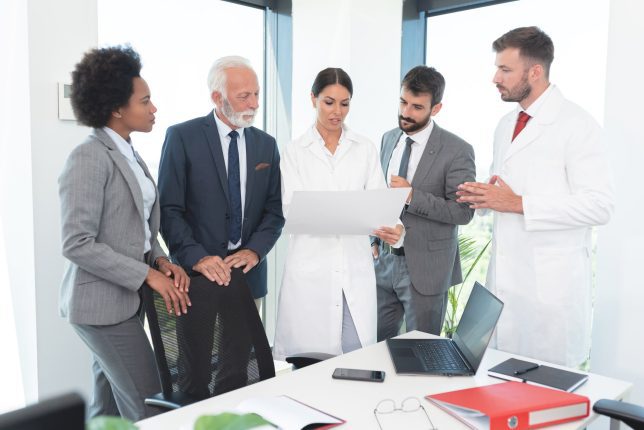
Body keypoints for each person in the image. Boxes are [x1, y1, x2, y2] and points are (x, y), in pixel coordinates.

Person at [456, 26, 614, 367]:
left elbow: (600, 205)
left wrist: (517, 203)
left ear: (535, 71)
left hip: (550, 294)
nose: (494, 77)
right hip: (504, 287)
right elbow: (509, 192)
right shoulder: (504, 125)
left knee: (549, 405)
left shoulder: (577, 125)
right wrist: (484, 197)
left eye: (505, 69)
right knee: (499, 394)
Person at [58, 46, 190, 421]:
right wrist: (147, 274)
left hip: (126, 302)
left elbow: (139, 229)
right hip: (100, 307)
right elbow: (76, 242)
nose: (154, 109)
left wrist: (161, 259)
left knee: (108, 412)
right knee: (150, 407)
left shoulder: (129, 153)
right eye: (145, 101)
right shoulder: (89, 156)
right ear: (117, 108)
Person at [273, 68, 403, 360]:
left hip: (354, 268)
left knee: (356, 355)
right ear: (313, 99)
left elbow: (379, 202)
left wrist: (396, 229)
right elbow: (293, 210)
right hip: (311, 270)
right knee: (308, 363)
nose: (337, 111)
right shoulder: (295, 151)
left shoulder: (365, 149)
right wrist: (352, 214)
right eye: (329, 102)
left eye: (345, 103)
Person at [158, 55, 284, 308]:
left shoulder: (266, 144)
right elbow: (168, 210)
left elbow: (274, 209)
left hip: (249, 276)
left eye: (257, 94)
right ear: (217, 97)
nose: (255, 104)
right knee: (197, 349)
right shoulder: (182, 137)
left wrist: (255, 251)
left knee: (244, 349)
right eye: (244, 96)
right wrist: (197, 257)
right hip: (195, 275)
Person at [373, 65, 476, 341]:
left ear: (437, 108)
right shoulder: (388, 139)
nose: (406, 113)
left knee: (421, 354)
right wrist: (374, 243)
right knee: (374, 350)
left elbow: (463, 212)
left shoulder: (458, 150)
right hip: (383, 263)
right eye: (403, 102)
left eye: (417, 107)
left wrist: (412, 195)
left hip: (426, 270)